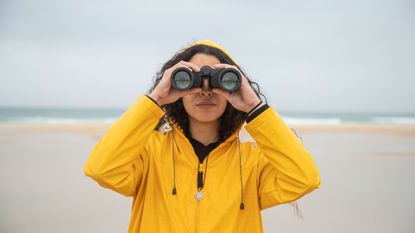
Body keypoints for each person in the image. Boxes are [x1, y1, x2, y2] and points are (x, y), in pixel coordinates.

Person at [84, 40, 321, 233]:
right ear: (176, 87)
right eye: (192, 80)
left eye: (221, 81)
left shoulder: (253, 163)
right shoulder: (149, 154)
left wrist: (253, 106)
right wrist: (155, 99)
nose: (206, 90)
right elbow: (101, 169)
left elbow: (304, 179)